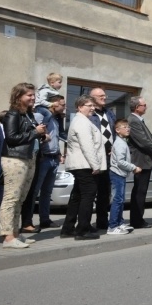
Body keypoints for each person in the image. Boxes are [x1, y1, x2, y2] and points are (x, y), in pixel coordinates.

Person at [0, 83, 46, 248]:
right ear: (19, 97)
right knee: (11, 198)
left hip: (28, 158)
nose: (33, 98)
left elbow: (27, 135)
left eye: (33, 95)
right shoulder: (13, 114)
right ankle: (8, 238)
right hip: (15, 159)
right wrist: (35, 133)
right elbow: (11, 138)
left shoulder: (28, 114)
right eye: (29, 95)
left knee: (21, 198)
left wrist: (41, 136)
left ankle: (16, 234)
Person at [61, 95, 105, 241]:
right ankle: (82, 229)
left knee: (78, 196)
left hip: (81, 164)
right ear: (80, 107)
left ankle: (68, 228)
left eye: (93, 105)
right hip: (84, 164)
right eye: (89, 105)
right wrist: (95, 165)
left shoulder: (83, 121)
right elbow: (87, 145)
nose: (92, 108)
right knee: (88, 195)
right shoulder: (81, 122)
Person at [21, 93, 65, 232]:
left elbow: (56, 138)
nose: (64, 107)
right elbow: (33, 133)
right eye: (62, 104)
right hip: (43, 158)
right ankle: (27, 222)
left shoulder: (57, 120)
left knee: (47, 192)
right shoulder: (40, 116)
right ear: (54, 104)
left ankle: (45, 220)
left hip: (53, 158)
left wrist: (59, 153)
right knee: (34, 192)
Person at [127, 96, 152, 229]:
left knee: (142, 190)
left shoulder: (138, 120)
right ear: (137, 107)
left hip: (145, 160)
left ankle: (138, 218)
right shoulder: (133, 121)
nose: (146, 107)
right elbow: (143, 141)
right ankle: (136, 220)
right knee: (139, 191)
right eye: (144, 105)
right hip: (140, 160)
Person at [88, 87, 115, 231]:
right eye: (101, 96)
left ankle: (102, 222)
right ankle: (84, 223)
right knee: (92, 191)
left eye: (105, 95)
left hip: (109, 157)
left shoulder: (109, 113)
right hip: (94, 157)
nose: (104, 98)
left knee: (105, 191)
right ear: (92, 98)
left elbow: (113, 132)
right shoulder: (90, 115)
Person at [108, 119, 139, 234]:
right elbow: (120, 162)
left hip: (120, 174)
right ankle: (112, 226)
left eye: (128, 127)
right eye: (124, 127)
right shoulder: (120, 143)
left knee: (120, 200)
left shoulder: (122, 141)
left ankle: (120, 223)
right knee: (118, 200)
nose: (128, 129)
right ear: (117, 130)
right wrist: (134, 167)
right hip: (117, 174)